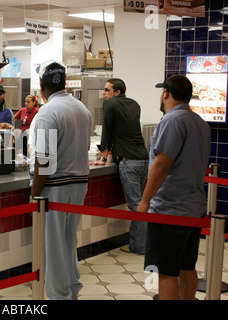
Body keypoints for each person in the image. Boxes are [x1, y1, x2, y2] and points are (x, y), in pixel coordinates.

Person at [137, 75, 210, 300]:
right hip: (193, 208)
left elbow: (162, 164)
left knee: (166, 272)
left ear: (166, 93)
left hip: (169, 210)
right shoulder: (200, 122)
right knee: (187, 267)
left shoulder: (171, 120)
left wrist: (145, 200)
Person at [30, 59, 91, 300]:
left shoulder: (47, 112)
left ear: (41, 86)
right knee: (67, 242)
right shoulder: (81, 108)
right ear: (65, 83)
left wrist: (35, 193)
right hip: (79, 184)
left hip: (55, 188)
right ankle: (72, 291)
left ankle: (58, 296)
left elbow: (44, 160)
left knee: (53, 247)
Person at [90, 78, 149, 254]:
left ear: (117, 92)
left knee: (136, 206)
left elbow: (107, 129)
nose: (103, 93)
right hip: (143, 158)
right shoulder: (134, 104)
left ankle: (139, 246)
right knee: (142, 204)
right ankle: (145, 243)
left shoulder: (111, 104)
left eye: (107, 90)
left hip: (128, 161)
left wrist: (103, 156)